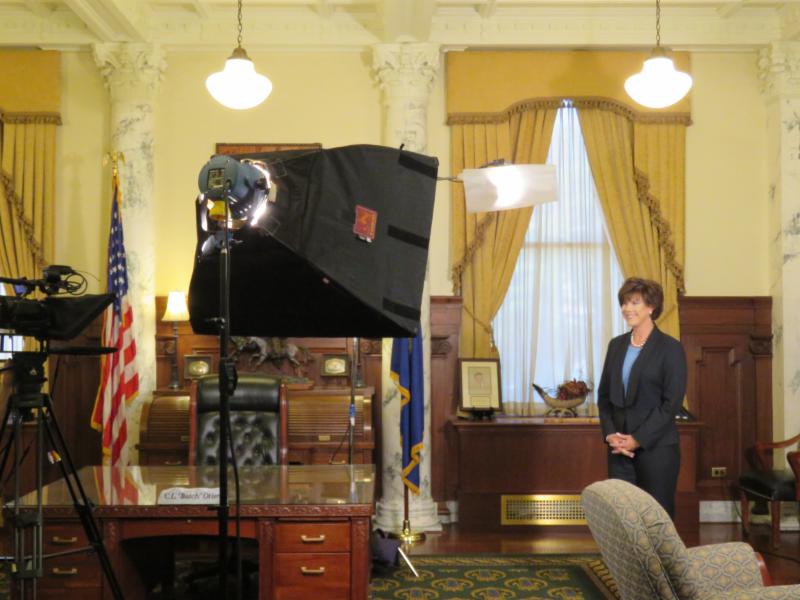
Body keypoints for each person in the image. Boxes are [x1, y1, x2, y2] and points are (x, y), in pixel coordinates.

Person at [597, 277, 687, 518]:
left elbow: (671, 404)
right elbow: (604, 397)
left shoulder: (670, 348)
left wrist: (637, 439)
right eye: (624, 303)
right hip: (619, 451)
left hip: (657, 450)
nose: (627, 308)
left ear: (651, 307)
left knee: (655, 519)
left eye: (634, 302)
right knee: (622, 519)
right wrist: (610, 434)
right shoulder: (616, 346)